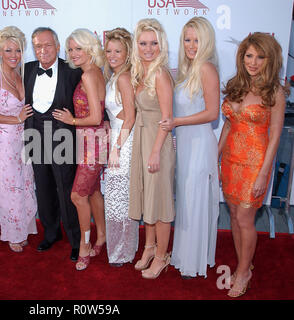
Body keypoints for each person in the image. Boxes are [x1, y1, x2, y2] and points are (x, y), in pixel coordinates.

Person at [218, 32, 286, 297]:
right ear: (242, 57)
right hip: (230, 160)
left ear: (270, 60)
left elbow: (276, 136)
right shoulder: (236, 85)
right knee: (234, 215)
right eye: (249, 55)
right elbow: (228, 124)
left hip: (255, 163)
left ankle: (244, 271)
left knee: (245, 218)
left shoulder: (275, 93)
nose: (254, 62)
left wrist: (263, 174)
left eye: (260, 57)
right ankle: (243, 263)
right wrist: (217, 154)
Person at [160, 17, 220, 278]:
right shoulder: (187, 70)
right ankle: (185, 254)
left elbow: (212, 113)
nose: (191, 45)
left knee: (194, 199)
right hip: (185, 143)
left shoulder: (206, 68)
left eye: (196, 40)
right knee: (186, 200)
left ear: (206, 42)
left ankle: (193, 262)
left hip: (199, 143)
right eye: (187, 39)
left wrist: (178, 121)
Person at [24, 27, 82, 261]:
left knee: (66, 189)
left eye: (48, 45)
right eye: (38, 46)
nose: (43, 50)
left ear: (58, 47)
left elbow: (89, 98)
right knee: (44, 187)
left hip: (62, 135)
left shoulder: (72, 70)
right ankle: (51, 232)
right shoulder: (26, 69)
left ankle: (76, 239)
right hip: (34, 133)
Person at [53, 28, 107, 271]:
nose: (73, 54)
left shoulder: (87, 76)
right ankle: (102, 236)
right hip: (92, 142)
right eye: (70, 49)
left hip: (93, 145)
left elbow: (96, 116)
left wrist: (71, 120)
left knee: (77, 196)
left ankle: (84, 245)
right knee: (93, 191)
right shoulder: (94, 71)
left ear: (90, 48)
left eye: (78, 48)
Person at [0, 26, 37, 253]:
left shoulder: (21, 74)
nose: (14, 55)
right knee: (9, 187)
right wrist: (15, 118)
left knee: (25, 184)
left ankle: (25, 226)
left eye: (18, 50)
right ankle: (13, 233)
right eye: (8, 50)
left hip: (25, 140)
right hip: (5, 142)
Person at [128, 18, 175, 279]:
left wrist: (156, 151)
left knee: (161, 201)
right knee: (148, 197)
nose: (148, 48)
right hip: (142, 139)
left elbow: (167, 119)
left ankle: (161, 256)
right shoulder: (139, 71)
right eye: (143, 43)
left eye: (154, 43)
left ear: (161, 44)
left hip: (158, 142)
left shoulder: (160, 74)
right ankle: (148, 248)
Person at [102, 28, 139, 267]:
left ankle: (123, 252)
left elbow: (131, 116)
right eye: (108, 51)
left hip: (124, 143)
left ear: (127, 53)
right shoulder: (115, 77)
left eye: (118, 51)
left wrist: (116, 147)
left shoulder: (124, 77)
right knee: (117, 198)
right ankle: (121, 249)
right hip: (118, 139)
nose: (112, 55)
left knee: (120, 200)